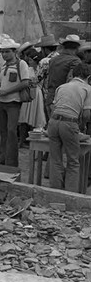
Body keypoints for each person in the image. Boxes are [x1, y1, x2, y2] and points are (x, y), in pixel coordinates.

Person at [48, 63, 91, 193]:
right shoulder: (87, 88)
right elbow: (86, 114)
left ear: (73, 74)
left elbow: (54, 107)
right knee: (73, 161)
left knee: (56, 160)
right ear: (88, 76)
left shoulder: (62, 87)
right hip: (69, 123)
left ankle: (55, 193)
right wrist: (81, 127)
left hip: (53, 121)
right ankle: (69, 194)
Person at [0, 38, 30, 167]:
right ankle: (2, 158)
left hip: (13, 102)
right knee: (3, 131)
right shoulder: (4, 65)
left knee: (11, 131)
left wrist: (6, 91)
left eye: (7, 52)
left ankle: (12, 161)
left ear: (14, 52)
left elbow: (25, 82)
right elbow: (0, 82)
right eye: (3, 52)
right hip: (2, 102)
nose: (4, 54)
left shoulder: (21, 64)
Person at [46, 35, 83, 114]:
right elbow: (71, 80)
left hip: (50, 97)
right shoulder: (75, 61)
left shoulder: (53, 60)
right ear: (77, 48)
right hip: (65, 99)